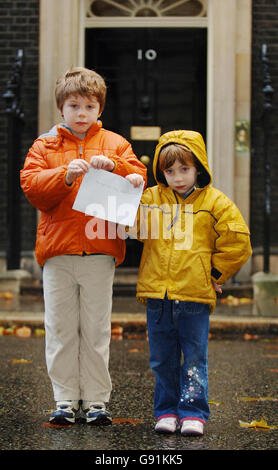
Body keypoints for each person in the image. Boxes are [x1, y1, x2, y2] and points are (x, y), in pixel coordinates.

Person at [20, 67, 147, 426]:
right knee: (60, 327)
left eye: (89, 106)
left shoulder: (115, 143)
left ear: (99, 109)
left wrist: (120, 166)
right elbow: (31, 186)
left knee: (95, 328)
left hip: (100, 248)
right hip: (58, 251)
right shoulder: (44, 146)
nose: (81, 113)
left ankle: (95, 401)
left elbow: (138, 177)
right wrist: (65, 175)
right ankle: (64, 399)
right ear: (61, 108)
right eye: (74, 105)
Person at [128, 130, 252, 436]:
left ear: (198, 168)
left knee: (194, 356)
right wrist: (130, 189)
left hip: (195, 295)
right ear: (161, 172)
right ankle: (166, 411)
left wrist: (214, 275)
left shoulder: (215, 202)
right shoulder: (151, 199)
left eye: (184, 169)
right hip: (158, 295)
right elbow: (130, 226)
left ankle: (193, 411)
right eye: (170, 171)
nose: (178, 177)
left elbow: (238, 242)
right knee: (162, 358)